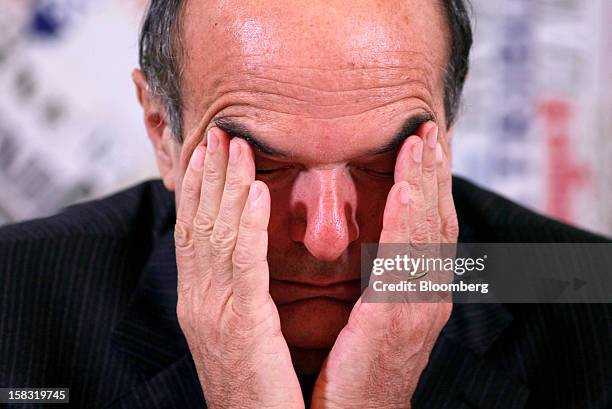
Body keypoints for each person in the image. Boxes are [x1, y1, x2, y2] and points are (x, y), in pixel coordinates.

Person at [1, 1, 610, 408]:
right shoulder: (16, 295)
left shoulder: (584, 295)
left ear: (446, 134)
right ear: (163, 132)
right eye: (261, 165)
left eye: (380, 166)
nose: (327, 236)